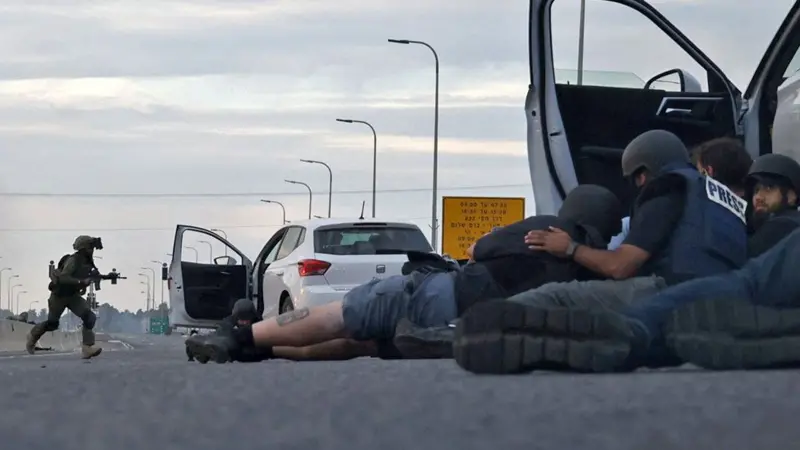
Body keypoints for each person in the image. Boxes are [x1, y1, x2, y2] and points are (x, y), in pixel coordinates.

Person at [183, 185, 624, 364]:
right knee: (359, 345)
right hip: (466, 329)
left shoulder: (545, 229)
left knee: (342, 315)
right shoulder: (592, 272)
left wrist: (486, 242)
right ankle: (268, 351)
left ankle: (242, 338)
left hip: (442, 293)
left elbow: (480, 250)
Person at [452, 129, 749, 374]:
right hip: (722, 302)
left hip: (674, 290)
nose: (639, 184)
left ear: (646, 170)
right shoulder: (722, 199)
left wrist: (570, 248)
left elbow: (621, 266)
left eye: (638, 176)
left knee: (555, 296)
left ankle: (470, 333)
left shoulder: (668, 186)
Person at [607, 136, 753, 250]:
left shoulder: (691, 204)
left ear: (707, 172)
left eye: (697, 170)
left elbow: (621, 266)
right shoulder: (752, 214)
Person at [26, 235, 104, 359]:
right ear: (83, 248)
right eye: (90, 247)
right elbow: (63, 277)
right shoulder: (73, 260)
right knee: (52, 324)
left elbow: (86, 279)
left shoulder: (88, 262)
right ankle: (32, 336)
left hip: (73, 296)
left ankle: (87, 347)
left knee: (89, 317)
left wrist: (90, 281)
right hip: (59, 296)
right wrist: (80, 282)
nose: (91, 250)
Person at [743, 153, 800, 257]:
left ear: (791, 196)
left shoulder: (783, 225)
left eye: (768, 188)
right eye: (756, 190)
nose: (758, 197)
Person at [187, 299, 264, 363]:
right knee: (221, 338)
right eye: (241, 319)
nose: (244, 322)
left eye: (246, 319)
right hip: (231, 345)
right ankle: (204, 349)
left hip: (248, 349)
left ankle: (215, 351)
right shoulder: (230, 321)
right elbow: (222, 331)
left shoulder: (259, 324)